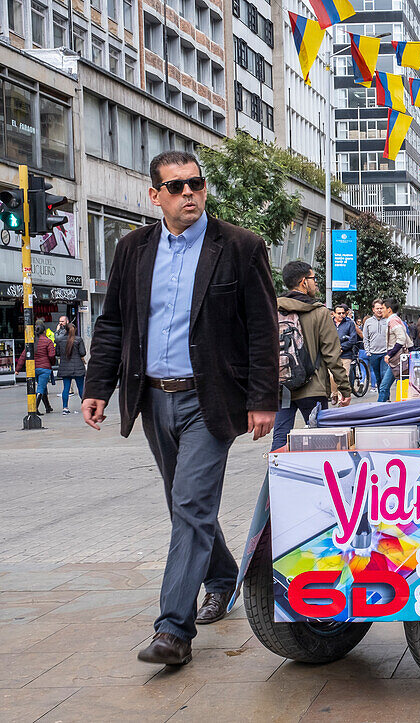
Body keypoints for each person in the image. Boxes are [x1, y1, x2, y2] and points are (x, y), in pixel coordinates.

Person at [82, 150, 278, 666]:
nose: (188, 193)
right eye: (176, 187)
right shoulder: (133, 249)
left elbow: (262, 327)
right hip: (152, 397)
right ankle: (219, 575)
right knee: (183, 503)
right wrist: (97, 386)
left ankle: (173, 630)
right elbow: (113, 323)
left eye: (196, 183)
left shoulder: (239, 246)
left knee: (191, 504)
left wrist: (263, 399)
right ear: (155, 196)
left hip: (209, 399)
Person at [271, 262, 350, 451]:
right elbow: (331, 355)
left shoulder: (273, 309)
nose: (316, 283)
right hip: (312, 388)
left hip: (283, 387)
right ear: (303, 282)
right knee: (321, 442)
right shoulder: (319, 312)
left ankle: (275, 478)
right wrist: (344, 389)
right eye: (313, 279)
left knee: (280, 440)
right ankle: (319, 480)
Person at [17, 323, 56, 413]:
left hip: (33, 368)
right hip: (44, 368)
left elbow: (24, 355)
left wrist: (17, 369)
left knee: (43, 387)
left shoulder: (32, 341)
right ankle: (34, 409)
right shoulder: (48, 341)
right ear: (45, 331)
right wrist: (52, 363)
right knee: (41, 388)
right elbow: (51, 355)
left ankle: (48, 407)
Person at [378, 297, 410, 402]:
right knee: (400, 384)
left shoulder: (393, 320)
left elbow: (401, 339)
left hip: (397, 360)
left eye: (382, 308)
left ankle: (377, 411)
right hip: (398, 359)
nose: (380, 311)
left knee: (384, 387)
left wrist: (390, 354)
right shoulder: (395, 320)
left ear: (389, 309)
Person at [55, 322, 86, 415]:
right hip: (78, 367)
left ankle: (65, 407)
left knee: (66, 388)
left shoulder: (60, 340)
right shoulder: (78, 340)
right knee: (81, 388)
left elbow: (57, 353)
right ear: (75, 330)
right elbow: (82, 353)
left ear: (65, 330)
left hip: (65, 367)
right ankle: (85, 406)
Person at [362, 299, 388, 391]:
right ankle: (381, 396)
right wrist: (368, 351)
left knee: (384, 375)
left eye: (381, 308)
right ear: (373, 309)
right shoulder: (368, 322)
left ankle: (385, 396)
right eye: (377, 308)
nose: (379, 310)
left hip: (385, 353)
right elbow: (365, 338)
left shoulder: (388, 320)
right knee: (377, 376)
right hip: (373, 353)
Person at [333, 304, 361, 378]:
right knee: (332, 377)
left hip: (346, 355)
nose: (341, 315)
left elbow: (353, 339)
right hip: (332, 355)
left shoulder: (349, 323)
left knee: (344, 377)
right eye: (339, 313)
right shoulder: (329, 323)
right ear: (334, 314)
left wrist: (342, 348)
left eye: (343, 313)